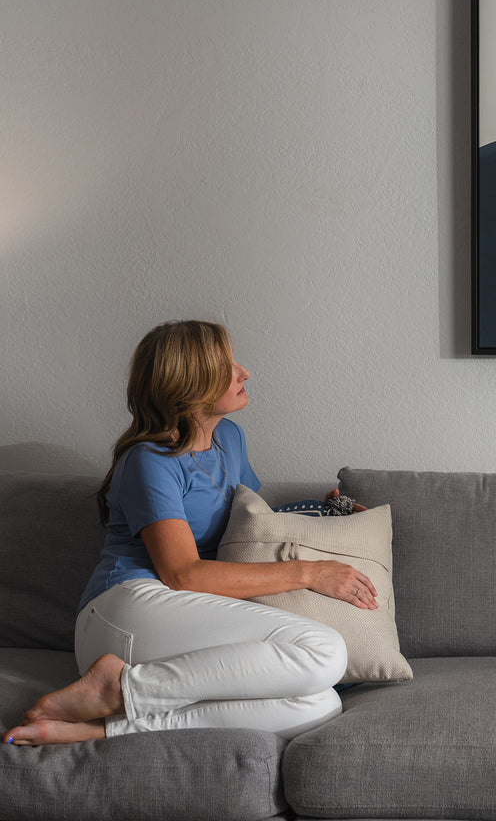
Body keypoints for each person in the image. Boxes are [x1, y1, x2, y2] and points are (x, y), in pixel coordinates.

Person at [3, 320, 376, 747]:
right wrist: (310, 572)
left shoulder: (229, 439)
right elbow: (182, 573)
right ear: (190, 382)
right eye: (226, 364)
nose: (244, 372)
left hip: (185, 613)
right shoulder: (150, 460)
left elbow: (251, 526)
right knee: (325, 649)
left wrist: (324, 513)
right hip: (127, 611)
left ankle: (102, 726)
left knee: (318, 703)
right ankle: (120, 689)